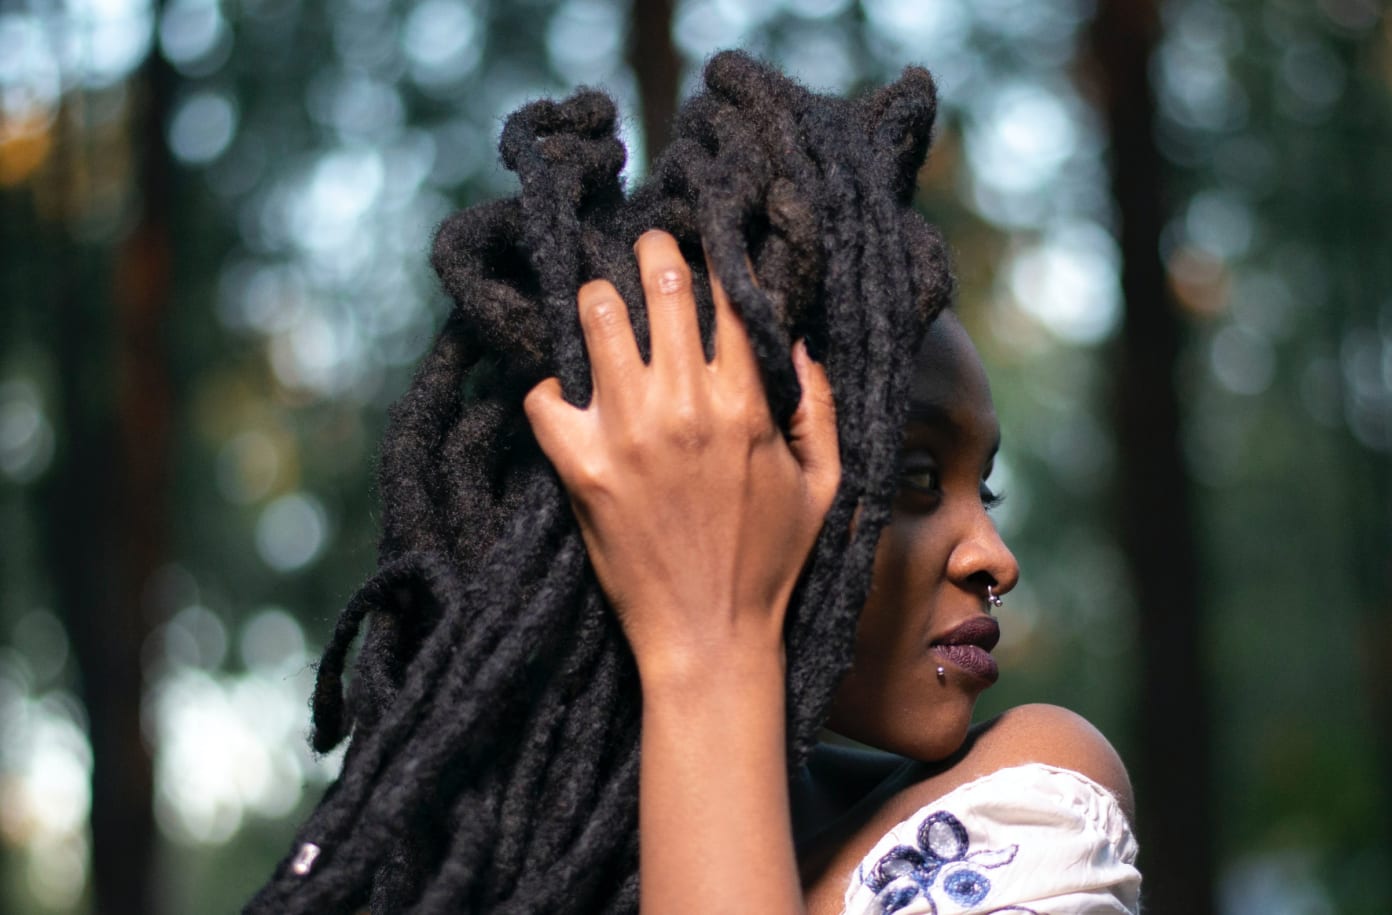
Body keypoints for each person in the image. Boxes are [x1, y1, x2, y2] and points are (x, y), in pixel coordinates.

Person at [247, 51, 1141, 914]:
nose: (994, 556)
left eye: (982, 489)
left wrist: (709, 643)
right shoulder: (468, 870)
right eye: (912, 475)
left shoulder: (1032, 798)